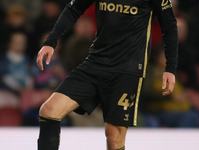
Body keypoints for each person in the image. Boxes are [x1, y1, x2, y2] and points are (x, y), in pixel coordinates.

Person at [36, 0, 178, 149]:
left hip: (127, 71)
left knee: (114, 139)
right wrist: (50, 41)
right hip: (95, 63)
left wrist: (170, 68)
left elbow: (169, 25)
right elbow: (73, 9)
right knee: (49, 110)